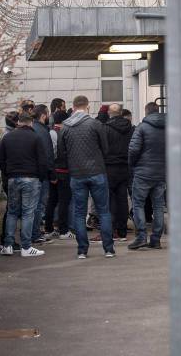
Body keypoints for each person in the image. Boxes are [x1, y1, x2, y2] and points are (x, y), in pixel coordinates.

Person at [58, 95, 115, 259]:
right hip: (97, 171)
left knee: (79, 213)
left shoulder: (65, 128)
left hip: (76, 174)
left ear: (73, 107)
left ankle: (82, 250)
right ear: (87, 107)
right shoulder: (95, 124)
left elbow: (61, 152)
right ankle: (108, 249)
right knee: (103, 211)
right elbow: (105, 148)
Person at [0, 111, 47, 257]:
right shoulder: (36, 137)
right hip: (31, 178)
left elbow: (0, 159)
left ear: (18, 122)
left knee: (12, 212)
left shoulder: (8, 137)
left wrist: (8, 173)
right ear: (31, 122)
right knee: (28, 213)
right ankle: (26, 247)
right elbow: (42, 161)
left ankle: (8, 245)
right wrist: (40, 177)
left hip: (13, 178)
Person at [128, 102, 166, 250]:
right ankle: (156, 239)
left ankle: (141, 236)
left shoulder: (142, 128)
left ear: (146, 112)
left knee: (138, 204)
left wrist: (133, 165)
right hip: (161, 173)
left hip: (143, 173)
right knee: (158, 206)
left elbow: (133, 150)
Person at [44, 107, 75, 240]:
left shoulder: (50, 132)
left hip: (53, 171)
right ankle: (63, 230)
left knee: (52, 200)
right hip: (63, 171)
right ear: (65, 120)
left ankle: (49, 228)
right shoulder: (64, 132)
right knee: (64, 201)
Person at [104, 103, 133, 241]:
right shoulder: (130, 128)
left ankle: (113, 229)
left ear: (110, 112)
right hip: (125, 166)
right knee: (122, 198)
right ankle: (122, 229)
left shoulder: (106, 128)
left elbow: (103, 147)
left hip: (110, 166)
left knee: (110, 199)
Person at [30, 104, 56, 243]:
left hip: (31, 173)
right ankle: (35, 235)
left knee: (32, 206)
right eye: (47, 114)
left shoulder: (31, 128)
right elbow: (48, 155)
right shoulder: (42, 131)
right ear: (43, 115)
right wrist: (52, 174)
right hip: (42, 175)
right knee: (39, 206)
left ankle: (33, 233)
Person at [0, 110, 21, 251]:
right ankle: (6, 240)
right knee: (12, 209)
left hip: (8, 175)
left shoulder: (6, 135)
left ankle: (7, 239)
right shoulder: (9, 136)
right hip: (10, 176)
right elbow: (2, 159)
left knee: (11, 209)